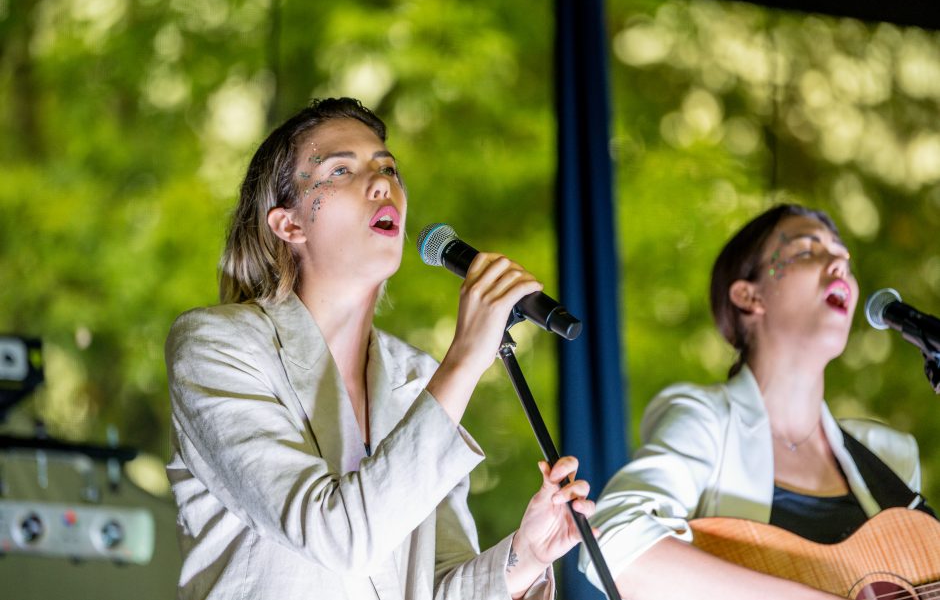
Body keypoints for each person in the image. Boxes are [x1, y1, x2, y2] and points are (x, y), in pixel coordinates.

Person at [165, 97, 594, 600]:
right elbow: (338, 538)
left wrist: (525, 555)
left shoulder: (417, 376)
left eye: (387, 166)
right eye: (341, 169)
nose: (382, 182)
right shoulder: (217, 347)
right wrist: (464, 361)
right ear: (289, 225)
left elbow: (433, 587)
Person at [580, 204, 931, 599]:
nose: (838, 263)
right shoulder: (707, 422)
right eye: (807, 250)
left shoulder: (889, 454)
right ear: (749, 296)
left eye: (843, 255)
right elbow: (610, 539)